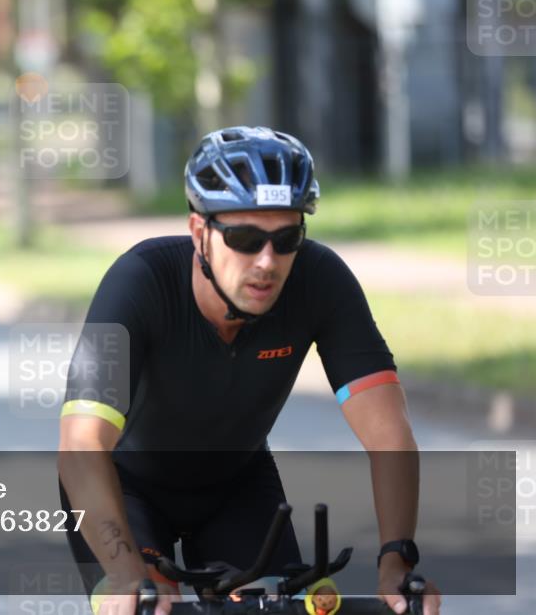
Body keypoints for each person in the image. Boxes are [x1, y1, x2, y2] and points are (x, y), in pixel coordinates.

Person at [57, 126, 441, 615]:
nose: (267, 261)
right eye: (244, 238)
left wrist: (396, 563)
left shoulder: (320, 281)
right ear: (200, 232)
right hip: (123, 490)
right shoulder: (139, 281)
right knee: (152, 604)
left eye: (286, 239)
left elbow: (388, 432)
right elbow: (81, 445)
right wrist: (126, 575)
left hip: (236, 486)